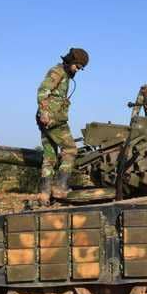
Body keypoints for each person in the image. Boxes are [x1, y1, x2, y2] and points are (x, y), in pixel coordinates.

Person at [36, 47, 89, 204]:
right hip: (53, 119)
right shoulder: (58, 72)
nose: (77, 70)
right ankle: (60, 187)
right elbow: (42, 90)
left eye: (80, 68)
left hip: (48, 119)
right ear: (71, 61)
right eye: (77, 66)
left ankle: (44, 193)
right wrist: (45, 113)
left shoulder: (64, 74)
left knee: (49, 156)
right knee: (71, 150)